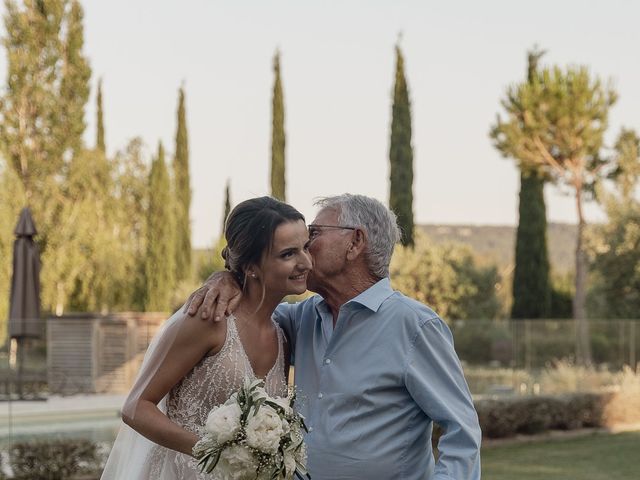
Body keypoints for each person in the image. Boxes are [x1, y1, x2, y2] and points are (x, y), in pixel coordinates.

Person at [186, 193, 482, 480]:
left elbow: (462, 430)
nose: (303, 247)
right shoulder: (299, 319)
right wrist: (227, 276)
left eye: (313, 234)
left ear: (355, 242)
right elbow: (248, 312)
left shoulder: (416, 326)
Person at [101, 196, 312, 479]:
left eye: (306, 248)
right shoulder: (208, 320)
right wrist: (217, 452)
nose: (306, 262)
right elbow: (136, 407)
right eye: (288, 254)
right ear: (251, 267)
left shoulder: (283, 333)